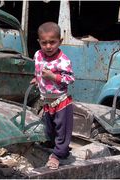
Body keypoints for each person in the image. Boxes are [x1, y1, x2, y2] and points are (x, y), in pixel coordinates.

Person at [30, 22, 75, 170]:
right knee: (49, 128)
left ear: (60, 41)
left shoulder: (63, 60)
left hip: (61, 101)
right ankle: (54, 147)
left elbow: (70, 79)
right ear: (39, 42)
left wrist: (53, 77)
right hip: (47, 101)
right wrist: (37, 79)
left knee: (62, 130)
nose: (48, 46)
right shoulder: (38, 55)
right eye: (44, 43)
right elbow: (38, 70)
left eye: (52, 42)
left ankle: (57, 155)